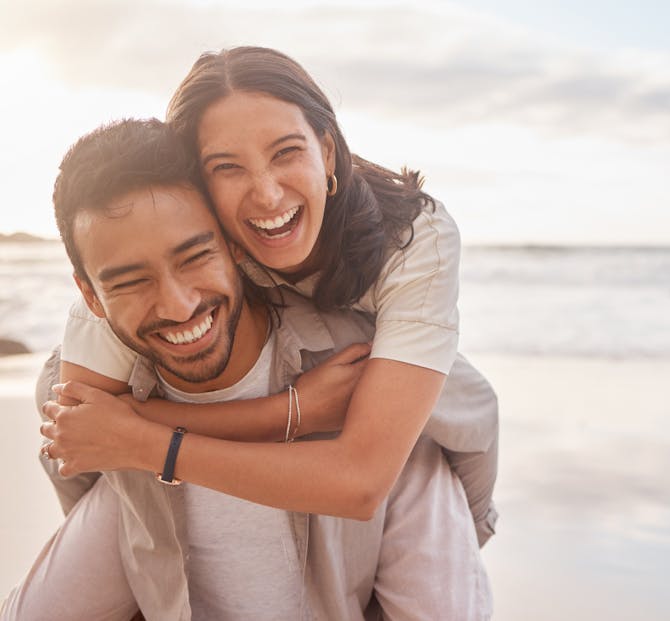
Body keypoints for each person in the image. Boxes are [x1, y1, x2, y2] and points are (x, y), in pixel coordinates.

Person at [2, 118, 491, 620]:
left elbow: (472, 427)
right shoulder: (107, 421)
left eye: (194, 256)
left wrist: (286, 413)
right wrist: (288, 413)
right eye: (130, 282)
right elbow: (74, 453)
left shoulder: (369, 387)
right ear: (90, 296)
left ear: (237, 245)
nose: (176, 305)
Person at [42, 46, 499, 544]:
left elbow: (361, 481)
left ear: (326, 152)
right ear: (196, 182)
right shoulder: (178, 244)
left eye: (286, 153)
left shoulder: (415, 237)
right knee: (53, 383)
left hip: (416, 398)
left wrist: (149, 442)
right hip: (295, 385)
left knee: (449, 412)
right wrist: (288, 412)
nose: (266, 195)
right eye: (226, 167)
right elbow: (82, 428)